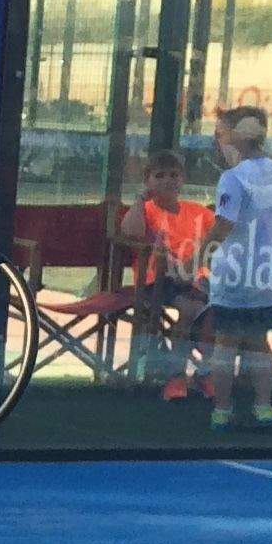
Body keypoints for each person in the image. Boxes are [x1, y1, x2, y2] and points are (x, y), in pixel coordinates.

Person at [195, 104, 272, 431]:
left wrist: (199, 256)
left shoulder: (232, 177)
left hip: (236, 272)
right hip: (268, 273)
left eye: (221, 135)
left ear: (237, 138)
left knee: (226, 340)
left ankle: (222, 410)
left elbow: (224, 224)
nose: (218, 142)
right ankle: (263, 407)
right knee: (258, 340)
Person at [116, 150, 209, 393]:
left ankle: (207, 371)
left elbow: (222, 235)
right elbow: (131, 232)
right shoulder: (146, 210)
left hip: (195, 279)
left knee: (221, 310)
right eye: (159, 176)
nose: (167, 180)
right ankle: (176, 374)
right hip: (156, 280)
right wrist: (140, 200)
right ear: (147, 181)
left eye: (173, 175)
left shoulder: (197, 211)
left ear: (183, 179)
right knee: (190, 308)